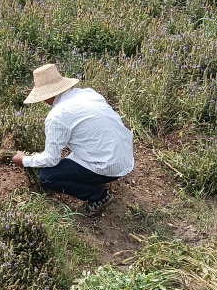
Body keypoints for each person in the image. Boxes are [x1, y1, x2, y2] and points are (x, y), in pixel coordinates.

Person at [11, 63, 134, 217]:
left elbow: (51, 160)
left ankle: (99, 196)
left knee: (46, 177)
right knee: (71, 155)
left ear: (46, 95)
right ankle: (97, 177)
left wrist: (24, 160)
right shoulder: (88, 94)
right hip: (125, 158)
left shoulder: (57, 116)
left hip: (108, 166)